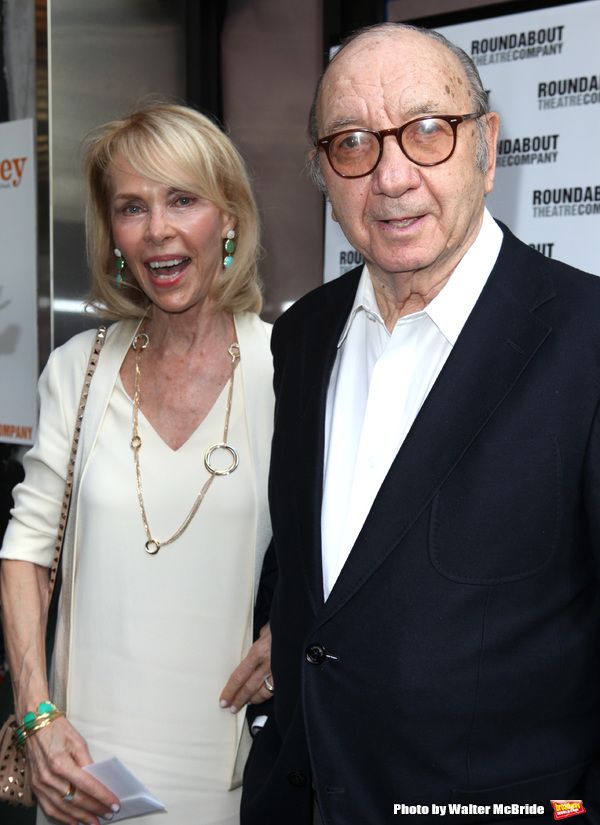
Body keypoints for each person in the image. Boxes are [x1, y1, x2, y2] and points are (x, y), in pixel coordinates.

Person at [241, 22, 600, 825]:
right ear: (322, 173)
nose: (392, 176)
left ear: (488, 147)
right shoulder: (302, 334)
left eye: (428, 131)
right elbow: (314, 561)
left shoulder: (587, 339)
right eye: (353, 144)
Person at [0, 102, 274, 825]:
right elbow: (24, 553)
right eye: (132, 206)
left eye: (182, 199)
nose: (158, 230)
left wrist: (303, 627)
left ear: (230, 217)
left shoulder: (290, 371)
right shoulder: (76, 370)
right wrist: (37, 719)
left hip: (227, 772)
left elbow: (353, 545)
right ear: (114, 234)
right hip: (78, 764)